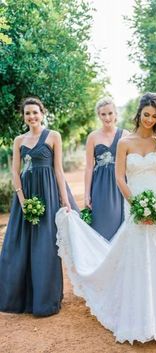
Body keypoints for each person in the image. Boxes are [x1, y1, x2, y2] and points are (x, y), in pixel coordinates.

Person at [56, 92, 156, 344]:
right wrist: (136, 205)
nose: (149, 119)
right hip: (134, 203)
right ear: (139, 114)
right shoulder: (125, 142)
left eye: (154, 116)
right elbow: (119, 178)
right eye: (146, 114)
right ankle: (138, 317)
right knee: (137, 255)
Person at [0, 97, 79, 316]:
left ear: (42, 113)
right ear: (23, 116)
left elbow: (58, 170)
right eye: (27, 113)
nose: (32, 117)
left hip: (48, 194)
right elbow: (15, 172)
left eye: (35, 112)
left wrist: (64, 200)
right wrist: (23, 202)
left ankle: (46, 300)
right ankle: (21, 299)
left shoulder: (54, 136)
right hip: (26, 196)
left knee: (46, 246)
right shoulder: (18, 140)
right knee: (20, 246)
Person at [84, 97, 129, 240]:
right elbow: (89, 167)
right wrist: (86, 194)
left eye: (110, 113)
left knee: (119, 225)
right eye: (103, 114)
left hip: (120, 185)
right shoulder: (92, 137)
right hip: (99, 186)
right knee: (100, 225)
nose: (107, 117)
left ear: (116, 114)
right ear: (99, 115)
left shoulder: (126, 135)